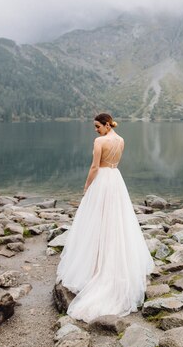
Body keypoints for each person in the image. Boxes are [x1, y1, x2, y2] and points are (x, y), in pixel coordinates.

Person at [55, 113, 154, 322]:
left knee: (95, 221)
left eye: (98, 126)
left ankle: (95, 268)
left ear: (107, 125)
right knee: (115, 222)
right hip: (116, 180)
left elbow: (94, 166)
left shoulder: (100, 141)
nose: (96, 129)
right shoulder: (121, 140)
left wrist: (86, 185)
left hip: (101, 181)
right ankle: (108, 264)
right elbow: (114, 162)